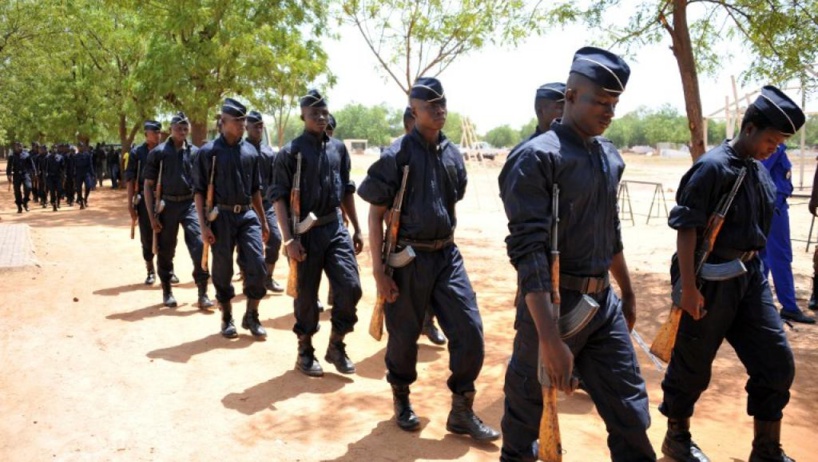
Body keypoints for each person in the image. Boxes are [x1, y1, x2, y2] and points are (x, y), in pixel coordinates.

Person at [498, 47, 655, 461]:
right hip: (552, 303)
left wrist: (627, 292)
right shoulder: (536, 158)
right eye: (601, 102)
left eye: (614, 103)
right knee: (525, 417)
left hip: (602, 304)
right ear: (570, 96)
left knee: (631, 413)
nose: (610, 112)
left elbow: (610, 230)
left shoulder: (608, 156)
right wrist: (550, 339)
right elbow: (529, 254)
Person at [660, 85, 803, 462]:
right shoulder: (712, 167)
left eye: (780, 143)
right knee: (692, 364)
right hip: (708, 278)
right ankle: (677, 437)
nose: (774, 148)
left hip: (750, 278)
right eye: (771, 140)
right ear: (750, 128)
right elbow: (687, 228)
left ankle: (766, 448)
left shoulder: (759, 172)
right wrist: (688, 287)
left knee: (776, 361)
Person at [358, 77, 500, 441]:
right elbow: (375, 214)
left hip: (447, 255)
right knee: (404, 337)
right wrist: (378, 271)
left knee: (470, 330)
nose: (439, 110)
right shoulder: (396, 155)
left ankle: (462, 410)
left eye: (443, 103)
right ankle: (402, 398)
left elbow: (454, 196)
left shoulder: (452, 153)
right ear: (414, 111)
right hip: (407, 259)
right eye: (431, 105)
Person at [271, 89, 363, 377]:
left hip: (335, 228)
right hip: (304, 233)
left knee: (350, 286)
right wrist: (289, 239)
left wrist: (357, 227)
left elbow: (346, 190)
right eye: (315, 114)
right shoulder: (290, 153)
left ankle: (336, 345)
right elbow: (278, 198)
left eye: (324, 112)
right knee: (307, 296)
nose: (321, 117)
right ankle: (305, 350)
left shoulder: (338, 149)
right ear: (303, 116)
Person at [193, 98, 270, 339]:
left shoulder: (251, 151)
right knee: (223, 269)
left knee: (257, 265)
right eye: (237, 121)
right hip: (221, 216)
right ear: (223, 122)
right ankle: (226, 316)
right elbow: (199, 192)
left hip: (247, 215)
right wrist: (204, 226)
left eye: (243, 120)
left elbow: (256, 190)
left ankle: (252, 315)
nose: (242, 124)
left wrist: (263, 221)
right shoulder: (208, 152)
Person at [143, 112, 213, 310]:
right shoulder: (158, 153)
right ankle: (167, 290)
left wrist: (206, 212)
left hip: (190, 205)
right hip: (167, 205)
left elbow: (204, 183)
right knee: (165, 250)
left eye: (185, 128)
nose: (182, 131)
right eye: (178, 128)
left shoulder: (195, 153)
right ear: (170, 129)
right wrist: (152, 216)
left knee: (199, 246)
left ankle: (202, 293)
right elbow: (148, 185)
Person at [397, 105, 447, 346]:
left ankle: (428, 323)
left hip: (432, 241)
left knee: (435, 287)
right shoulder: (397, 154)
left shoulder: (438, 152)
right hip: (404, 240)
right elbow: (383, 206)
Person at [759, 144, 815, 324]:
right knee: (780, 257)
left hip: (771, 206)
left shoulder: (773, 144)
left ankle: (760, 304)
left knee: (763, 257)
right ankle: (788, 306)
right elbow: (759, 171)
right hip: (772, 208)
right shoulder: (772, 146)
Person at [126, 121, 178, 286]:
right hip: (145, 199)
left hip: (166, 198)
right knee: (147, 236)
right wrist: (130, 204)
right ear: (145, 134)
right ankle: (150, 269)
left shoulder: (166, 150)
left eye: (159, 132)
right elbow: (130, 179)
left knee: (169, 236)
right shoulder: (136, 153)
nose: (157, 135)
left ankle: (169, 269)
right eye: (154, 132)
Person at [245, 110, 284, 293]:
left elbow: (275, 180)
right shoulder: (241, 150)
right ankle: (249, 277)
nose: (259, 129)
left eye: (261, 126)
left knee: (275, 238)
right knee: (248, 245)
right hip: (246, 205)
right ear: (247, 128)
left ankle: (268, 277)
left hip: (266, 204)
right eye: (255, 126)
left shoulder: (269, 152)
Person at [6, 142, 36, 213]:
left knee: (28, 187)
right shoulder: (12, 156)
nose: (19, 147)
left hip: (25, 174)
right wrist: (8, 175)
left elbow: (32, 165)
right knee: (17, 190)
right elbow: (9, 167)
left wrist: (34, 173)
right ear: (15, 147)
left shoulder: (27, 155)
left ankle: (25, 201)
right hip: (16, 174)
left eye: (20, 146)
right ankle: (19, 206)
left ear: (22, 146)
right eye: (17, 146)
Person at [73, 143, 95, 209]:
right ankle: (81, 200)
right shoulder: (75, 156)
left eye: (82, 146)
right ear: (78, 147)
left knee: (88, 186)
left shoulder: (88, 155)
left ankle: (85, 199)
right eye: (79, 146)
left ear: (83, 147)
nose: (81, 148)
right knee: (78, 188)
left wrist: (92, 174)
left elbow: (90, 165)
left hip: (86, 173)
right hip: (78, 173)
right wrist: (73, 175)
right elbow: (74, 166)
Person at [44, 143, 65, 212]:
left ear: (57, 149)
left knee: (59, 190)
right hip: (50, 176)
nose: (54, 149)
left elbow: (63, 167)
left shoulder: (60, 157)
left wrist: (63, 175)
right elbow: (45, 168)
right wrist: (45, 176)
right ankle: (54, 203)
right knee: (52, 191)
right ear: (51, 149)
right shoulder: (47, 158)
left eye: (55, 148)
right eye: (53, 148)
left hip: (58, 176)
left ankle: (58, 201)